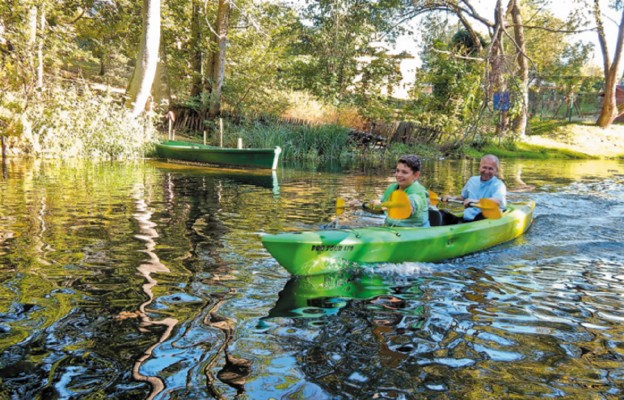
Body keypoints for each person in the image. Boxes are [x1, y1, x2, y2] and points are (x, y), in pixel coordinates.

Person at [353, 155, 430, 227]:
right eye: (397, 171)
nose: (399, 175)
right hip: (391, 228)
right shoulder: (392, 188)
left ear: (416, 175)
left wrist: (383, 205)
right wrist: (360, 205)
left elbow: (409, 207)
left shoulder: (418, 192)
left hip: (413, 230)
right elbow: (382, 210)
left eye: (404, 172)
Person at [442, 154, 506, 222]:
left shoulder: (499, 185)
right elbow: (463, 197)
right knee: (442, 214)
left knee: (480, 216)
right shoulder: (472, 180)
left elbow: (497, 201)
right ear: (479, 167)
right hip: (467, 219)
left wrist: (476, 201)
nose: (487, 171)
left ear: (496, 170)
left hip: (485, 219)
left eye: (490, 168)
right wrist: (452, 198)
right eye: (484, 167)